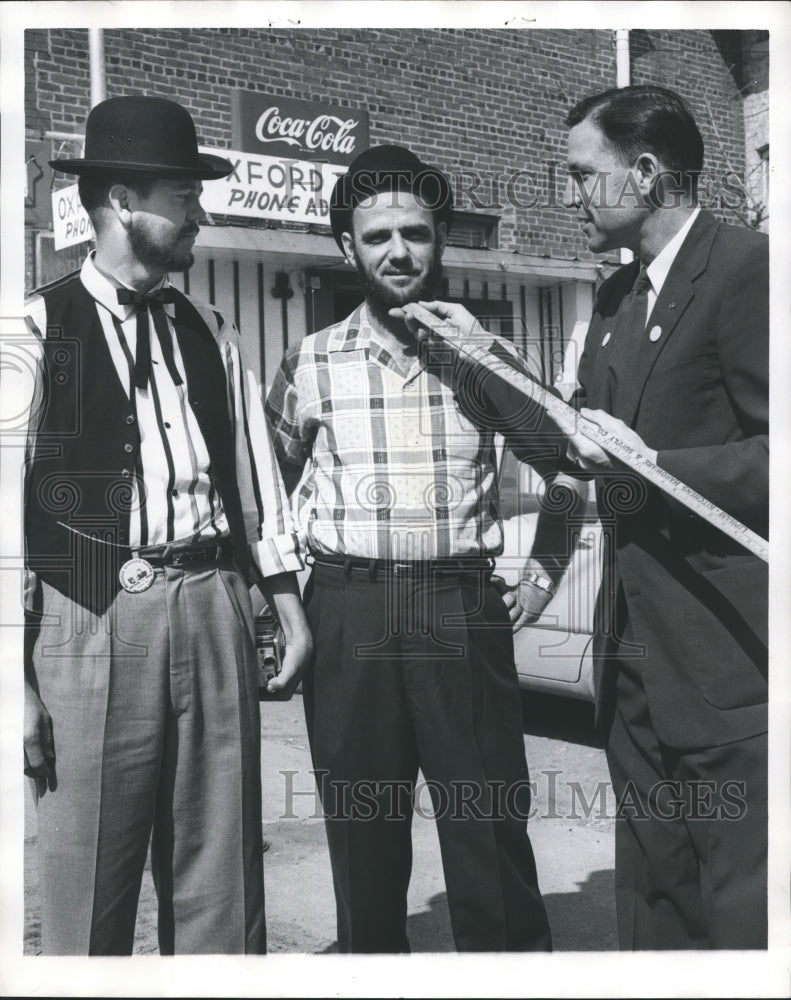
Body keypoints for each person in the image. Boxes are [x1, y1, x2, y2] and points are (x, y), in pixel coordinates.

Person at [22, 95, 312, 955]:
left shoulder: (212, 329)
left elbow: (254, 481)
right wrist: (15, 686)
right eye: (182, 195)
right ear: (117, 202)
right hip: (89, 616)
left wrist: (286, 604)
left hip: (211, 603)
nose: (199, 212)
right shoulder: (33, 330)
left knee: (221, 876)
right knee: (89, 882)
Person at [264, 144, 562, 953]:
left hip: (458, 606)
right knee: (363, 834)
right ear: (346, 249)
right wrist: (282, 606)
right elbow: (267, 492)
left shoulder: (485, 354)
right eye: (377, 237)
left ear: (439, 240)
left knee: (487, 825)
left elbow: (568, 467)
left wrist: (540, 575)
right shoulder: (309, 362)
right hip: (348, 606)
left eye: (415, 233)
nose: (398, 252)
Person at [527, 84, 768, 950]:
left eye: (581, 176)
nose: (569, 197)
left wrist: (654, 465)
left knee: (743, 915)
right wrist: (470, 365)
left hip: (728, 666)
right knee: (654, 914)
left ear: (648, 172)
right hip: (632, 671)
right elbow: (572, 449)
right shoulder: (613, 298)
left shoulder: (749, 271)